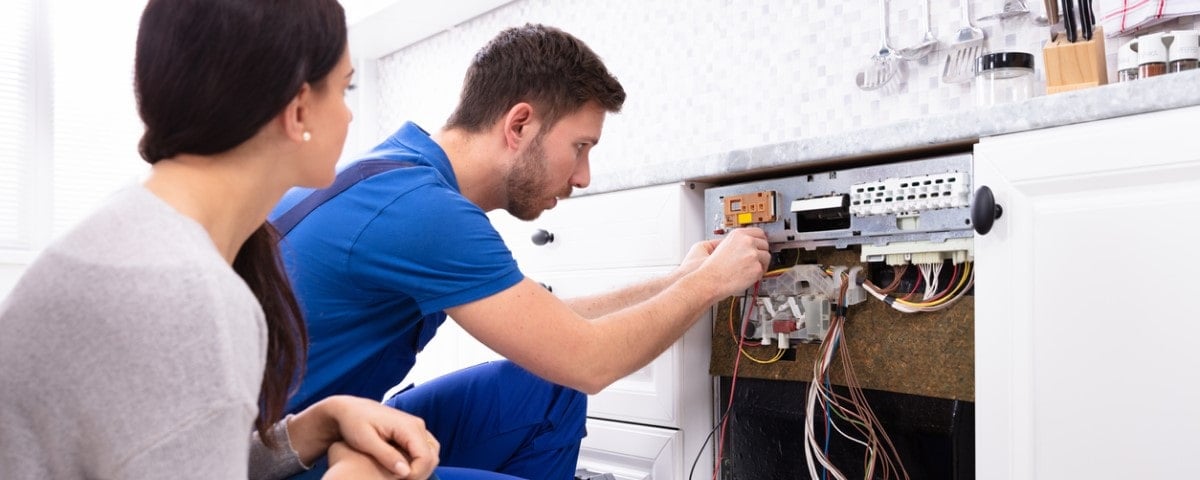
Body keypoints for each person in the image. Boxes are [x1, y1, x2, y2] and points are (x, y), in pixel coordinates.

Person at [270, 23, 770, 479]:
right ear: (520, 125)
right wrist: (710, 285)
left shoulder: (404, 177)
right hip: (293, 461)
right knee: (567, 372)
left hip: (334, 434)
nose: (583, 177)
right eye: (580, 146)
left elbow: (550, 330)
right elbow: (588, 360)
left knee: (547, 387)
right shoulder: (422, 211)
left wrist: (677, 280)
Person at [0, 1, 438, 478]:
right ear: (297, 110)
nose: (349, 116)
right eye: (343, 88)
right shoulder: (186, 295)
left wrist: (315, 426)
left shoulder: (141, 234)